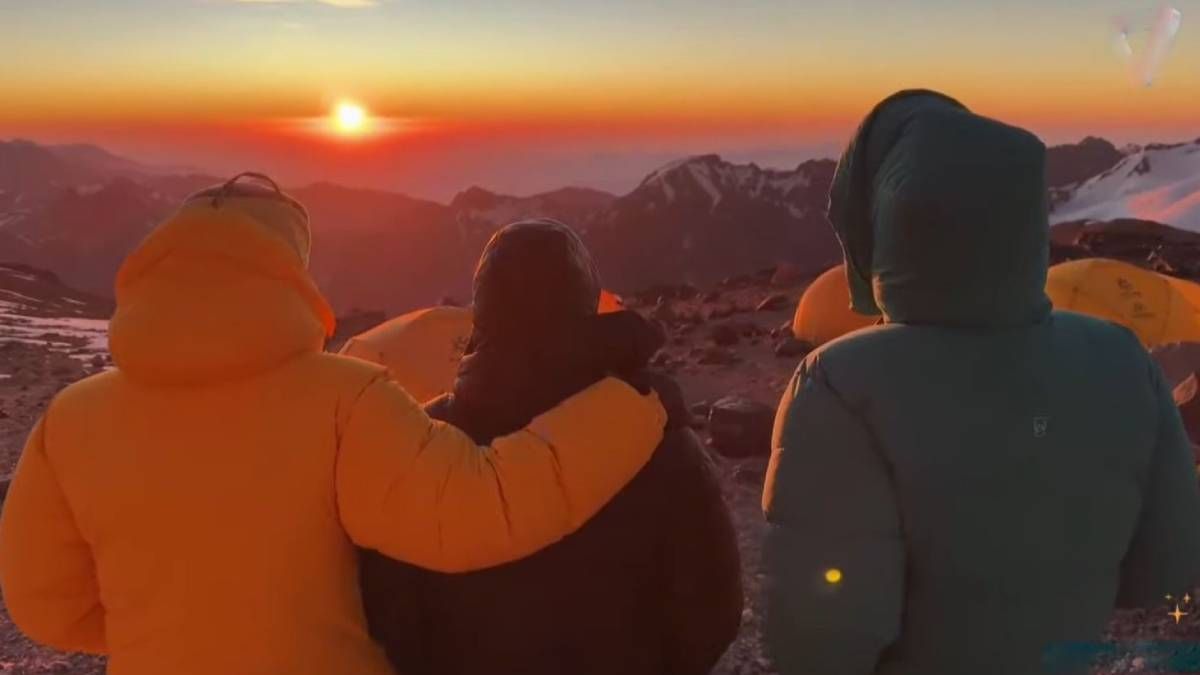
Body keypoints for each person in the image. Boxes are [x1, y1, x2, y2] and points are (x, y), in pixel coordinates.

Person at [0, 175, 669, 675]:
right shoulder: (343, 399)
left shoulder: (72, 420)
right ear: (283, 271)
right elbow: (482, 507)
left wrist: (166, 629)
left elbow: (43, 604)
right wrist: (627, 405)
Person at [762, 91, 1200, 675]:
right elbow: (1164, 569)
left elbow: (822, 637)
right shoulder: (1122, 357)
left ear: (887, 226)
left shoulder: (840, 386)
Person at [360, 219, 743, 675]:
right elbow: (712, 611)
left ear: (482, 309)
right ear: (586, 302)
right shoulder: (654, 434)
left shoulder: (423, 443)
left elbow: (386, 611)